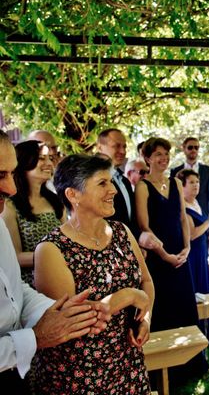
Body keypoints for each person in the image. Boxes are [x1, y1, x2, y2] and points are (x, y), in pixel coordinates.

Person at [32, 154, 154, 394]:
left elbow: (146, 280)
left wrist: (145, 319)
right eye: (102, 183)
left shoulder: (121, 232)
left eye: (111, 182)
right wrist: (129, 296)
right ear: (72, 194)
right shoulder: (51, 249)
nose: (114, 190)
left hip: (127, 364)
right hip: (80, 375)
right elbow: (73, 322)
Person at [0, 131, 110, 394]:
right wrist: (35, 338)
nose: (11, 189)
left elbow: (13, 291)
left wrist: (63, 313)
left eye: (11, 174)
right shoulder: (12, 210)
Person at [136, 137, 208, 381]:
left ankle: (192, 366)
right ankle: (166, 373)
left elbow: (181, 218)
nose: (163, 158)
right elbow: (144, 227)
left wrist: (187, 247)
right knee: (164, 312)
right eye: (158, 154)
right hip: (159, 260)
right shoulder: (143, 186)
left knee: (185, 310)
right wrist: (165, 255)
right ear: (148, 158)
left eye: (166, 153)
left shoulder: (176, 182)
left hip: (180, 256)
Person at [2, 141, 64, 286]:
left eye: (50, 157)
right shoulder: (9, 205)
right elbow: (15, 256)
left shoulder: (55, 201)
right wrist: (55, 255)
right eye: (42, 158)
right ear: (24, 161)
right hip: (31, 287)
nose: (49, 163)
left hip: (61, 278)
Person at [176, 168, 209, 343]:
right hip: (192, 255)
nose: (196, 185)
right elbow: (192, 234)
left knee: (206, 289)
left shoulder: (198, 203)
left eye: (197, 182)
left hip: (202, 253)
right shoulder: (182, 207)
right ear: (182, 186)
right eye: (191, 182)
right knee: (196, 290)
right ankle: (197, 333)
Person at [96, 129, 141, 239]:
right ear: (100, 147)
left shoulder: (125, 181)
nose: (122, 151)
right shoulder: (93, 180)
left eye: (124, 147)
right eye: (116, 146)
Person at [170, 137, 209, 217]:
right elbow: (173, 194)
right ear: (184, 149)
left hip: (204, 213)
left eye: (196, 147)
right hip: (182, 213)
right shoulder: (175, 171)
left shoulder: (208, 170)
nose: (194, 150)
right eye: (190, 147)